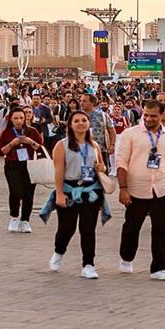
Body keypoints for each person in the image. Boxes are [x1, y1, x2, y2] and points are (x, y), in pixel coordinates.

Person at [116, 100, 165, 280]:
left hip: (162, 188)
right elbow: (121, 163)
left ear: (163, 115)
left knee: (161, 229)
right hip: (136, 188)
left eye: (153, 116)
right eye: (146, 115)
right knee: (132, 226)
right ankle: (126, 258)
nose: (148, 118)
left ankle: (159, 268)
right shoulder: (130, 134)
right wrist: (123, 189)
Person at [47, 111, 108, 279]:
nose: (81, 123)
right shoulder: (62, 145)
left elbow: (101, 165)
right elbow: (59, 171)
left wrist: (100, 168)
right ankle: (59, 251)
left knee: (88, 228)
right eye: (77, 121)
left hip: (90, 190)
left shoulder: (93, 145)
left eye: (84, 120)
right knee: (67, 227)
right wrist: (59, 193)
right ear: (71, 125)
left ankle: (88, 264)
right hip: (69, 188)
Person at [0, 107, 43, 233]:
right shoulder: (7, 133)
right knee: (15, 191)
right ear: (11, 119)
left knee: (28, 194)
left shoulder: (32, 131)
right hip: (12, 165)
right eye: (16, 118)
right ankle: (14, 217)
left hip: (30, 165)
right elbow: (2, 151)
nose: (19, 121)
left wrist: (30, 142)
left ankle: (25, 220)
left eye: (21, 118)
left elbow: (41, 148)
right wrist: (13, 143)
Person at [81, 94, 116, 172]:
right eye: (81, 101)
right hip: (83, 152)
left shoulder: (103, 115)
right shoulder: (78, 116)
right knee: (87, 178)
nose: (81, 103)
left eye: (84, 101)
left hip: (101, 151)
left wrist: (112, 145)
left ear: (93, 102)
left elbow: (111, 130)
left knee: (103, 175)